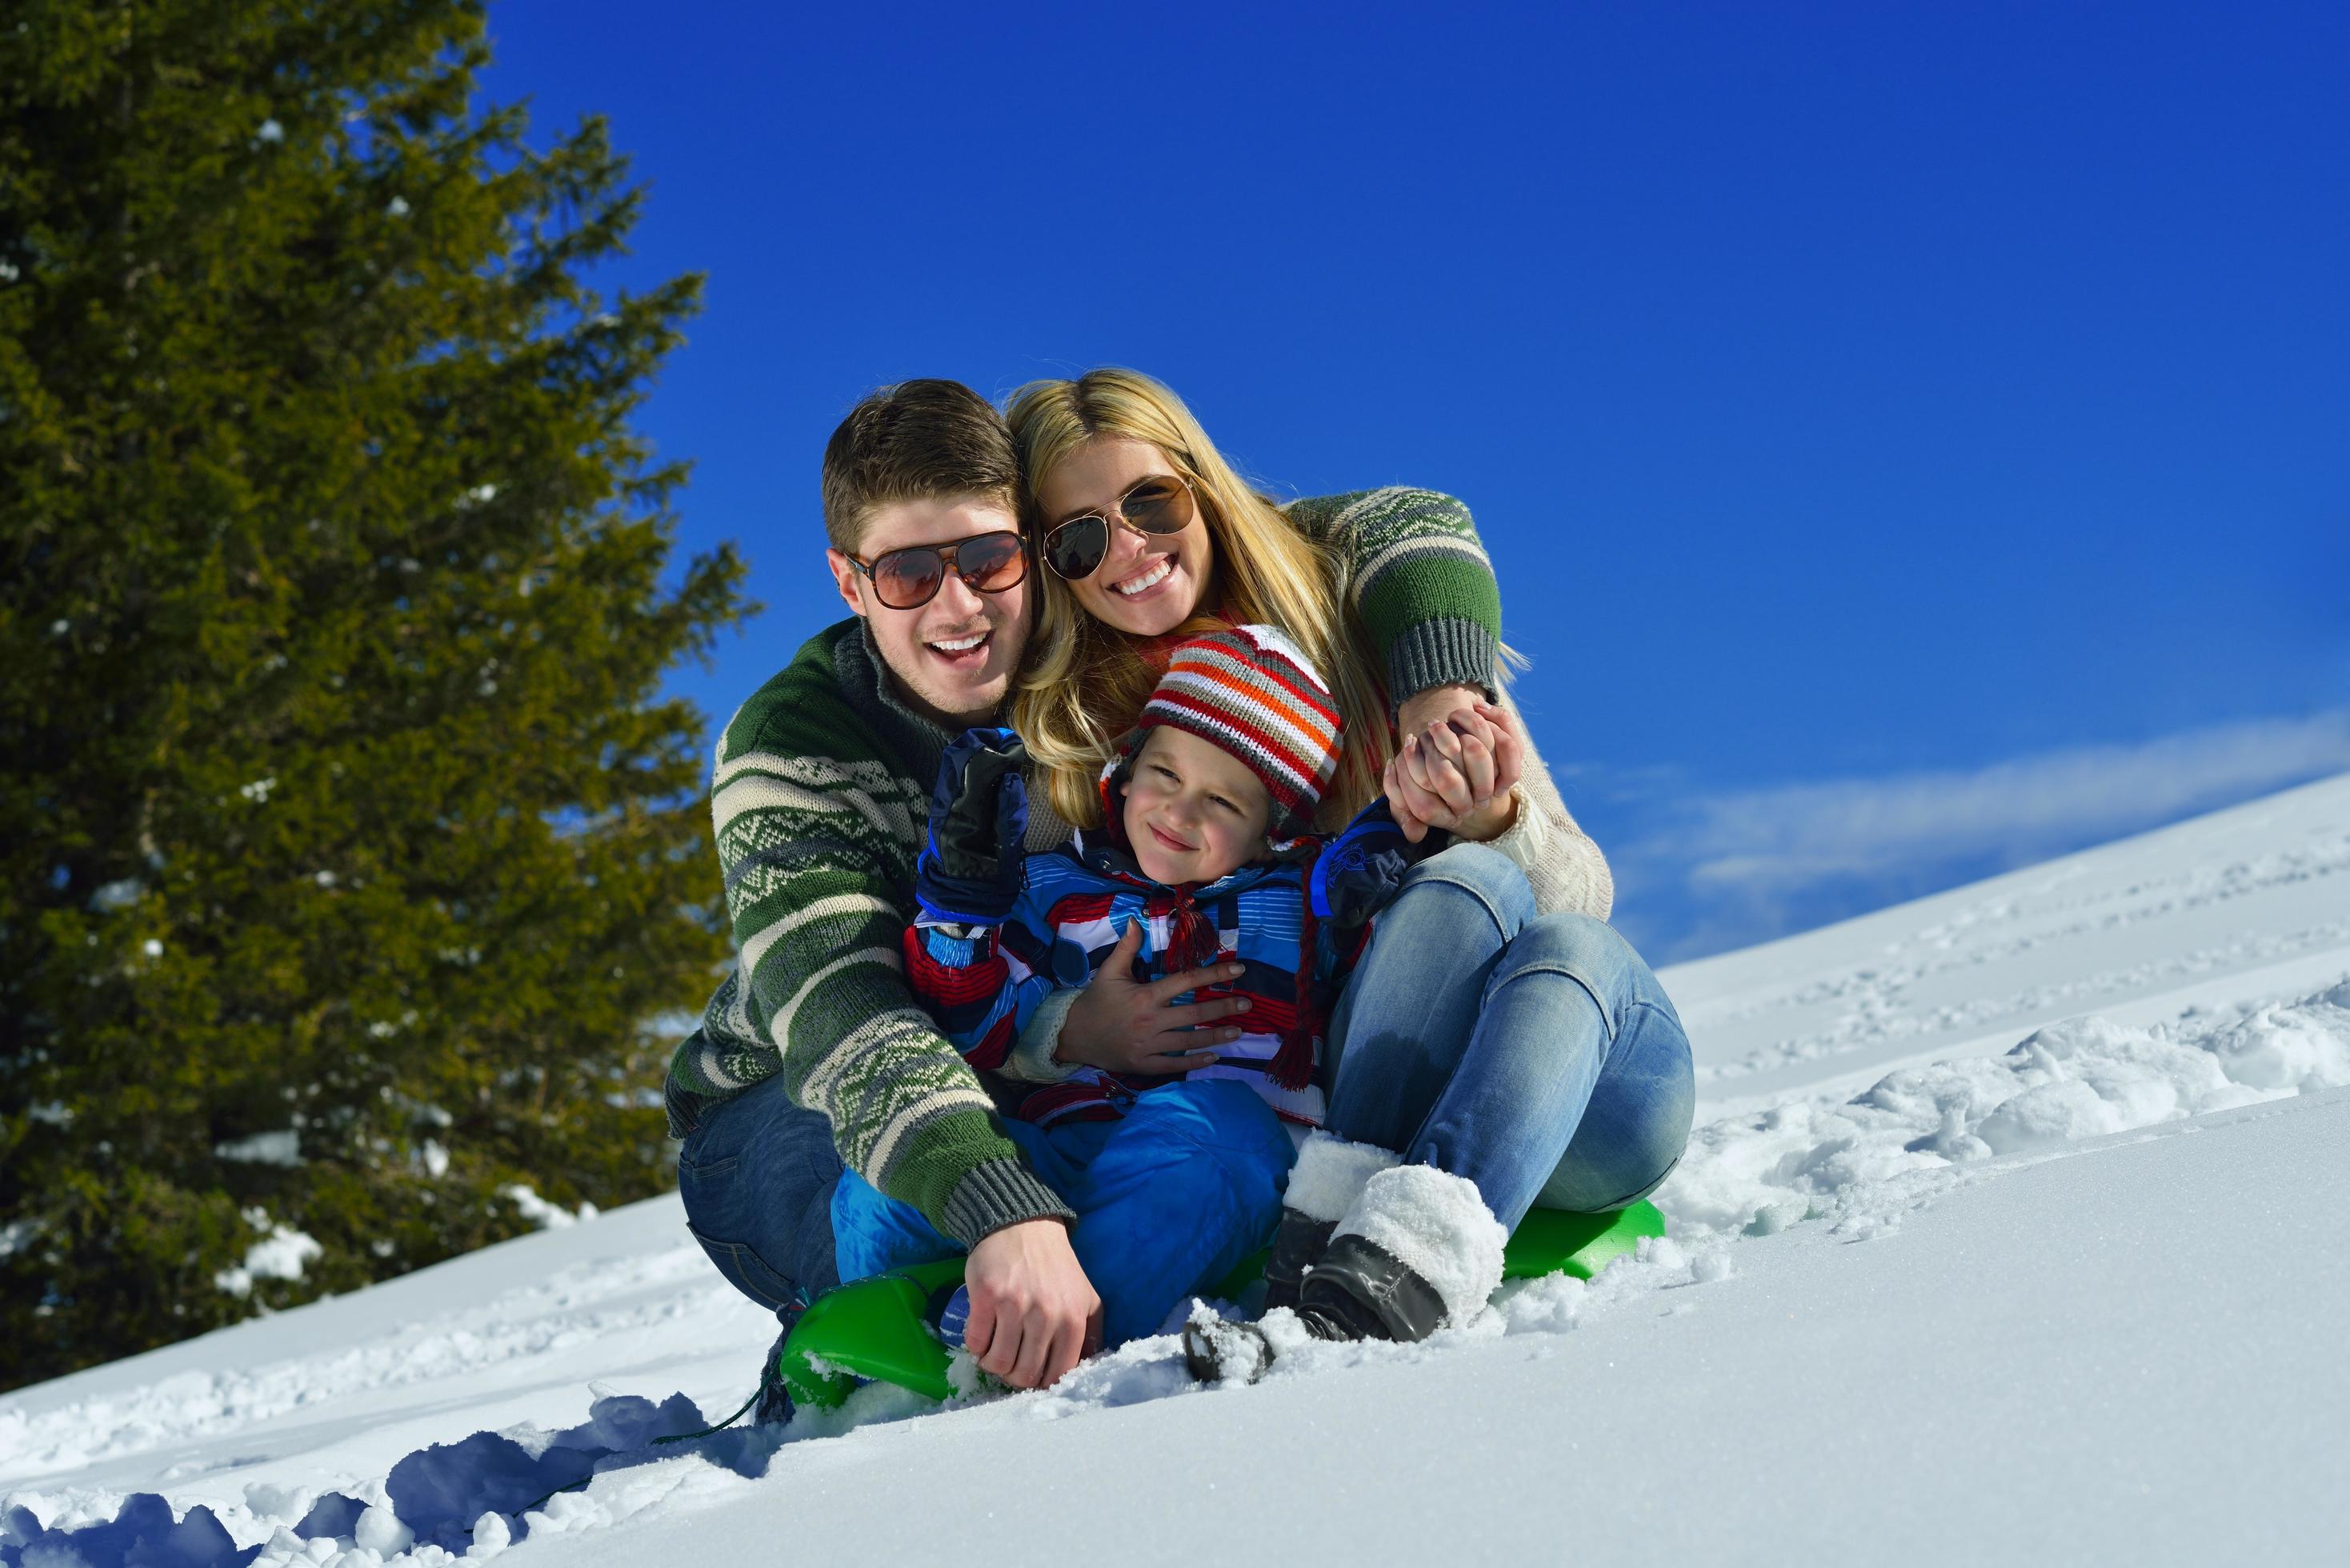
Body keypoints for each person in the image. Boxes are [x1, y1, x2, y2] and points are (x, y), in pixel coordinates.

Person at [666, 379, 1541, 1401]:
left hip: (1050, 1082)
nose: (959, 607)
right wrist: (1006, 1197)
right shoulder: (795, 744)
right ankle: (875, 1384)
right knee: (882, 1207)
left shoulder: (1082, 610)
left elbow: (1401, 520)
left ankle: (1068, 1315)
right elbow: (844, 1018)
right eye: (907, 574)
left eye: (987, 558)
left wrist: (1438, 699)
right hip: (787, 1098)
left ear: (1031, 551)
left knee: (1203, 1164)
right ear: (850, 583)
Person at [1001, 370, 1695, 1364]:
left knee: (1510, 900)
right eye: (1080, 538)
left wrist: (1487, 808)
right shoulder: (1074, 740)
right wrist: (1070, 1031)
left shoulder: (1372, 648)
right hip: (1346, 1105)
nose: (1131, 550)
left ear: (1203, 485)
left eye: (1152, 502)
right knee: (1467, 888)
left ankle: (1390, 1241)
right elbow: (1001, 951)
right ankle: (1350, 1270)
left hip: (1564, 1092)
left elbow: (1576, 892)